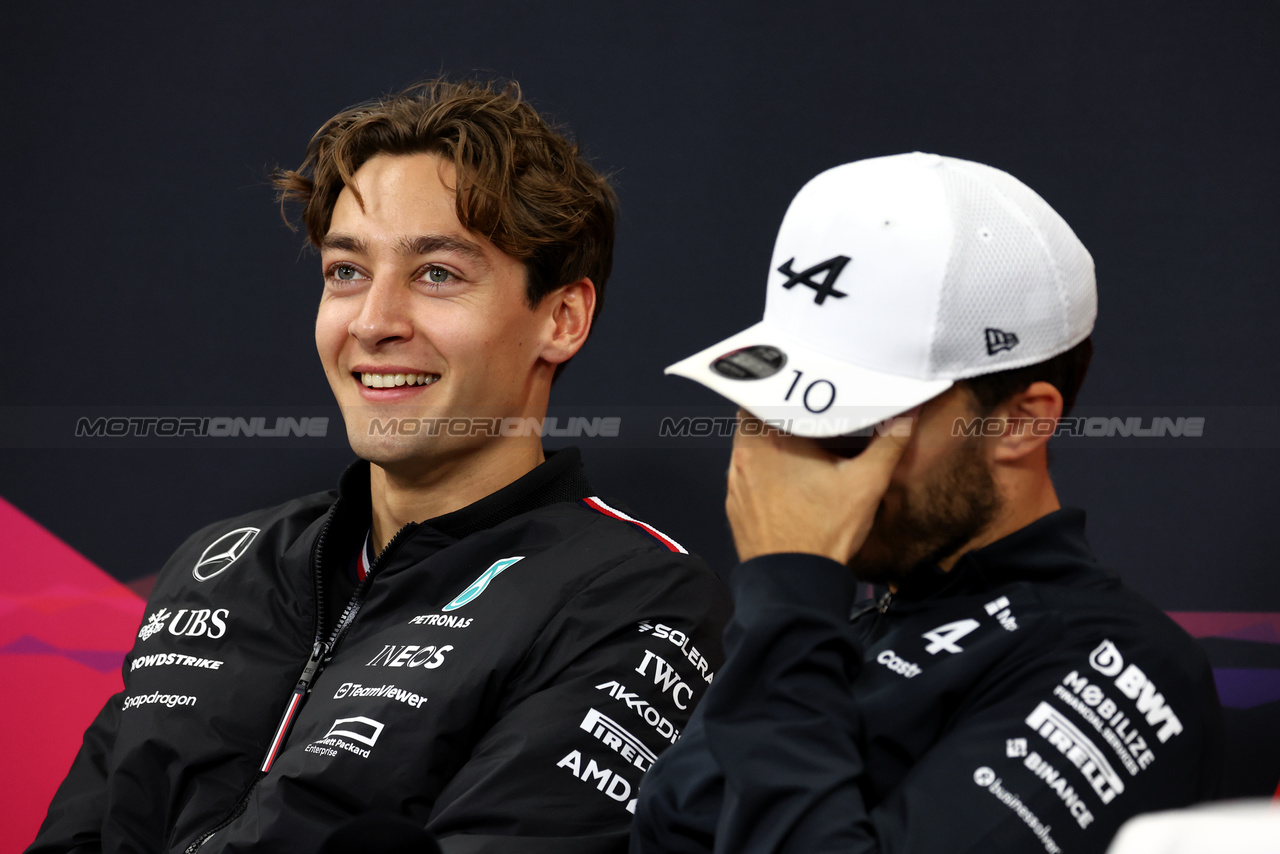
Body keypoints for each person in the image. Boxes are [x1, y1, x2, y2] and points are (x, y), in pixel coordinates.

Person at [29, 79, 730, 854]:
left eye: (437, 274)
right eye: (346, 272)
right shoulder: (218, 566)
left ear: (562, 319)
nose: (373, 322)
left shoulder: (635, 600)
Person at [632, 152, 1224, 853]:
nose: (811, 453)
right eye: (795, 407)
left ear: (1019, 421)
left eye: (862, 420)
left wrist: (789, 590)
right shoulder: (837, 627)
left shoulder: (1125, 664)